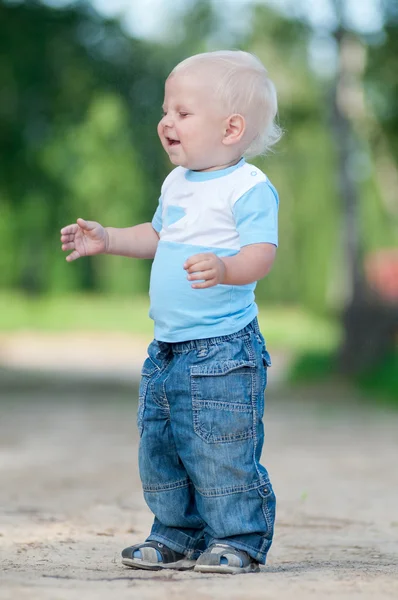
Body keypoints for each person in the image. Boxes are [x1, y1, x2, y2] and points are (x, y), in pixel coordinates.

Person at [60, 50, 281, 574]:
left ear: (231, 128)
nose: (166, 122)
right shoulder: (176, 183)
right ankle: (176, 533)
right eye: (166, 110)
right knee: (162, 447)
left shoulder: (248, 188)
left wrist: (226, 269)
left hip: (223, 350)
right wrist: (109, 238)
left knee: (220, 449)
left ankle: (238, 538)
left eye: (182, 113)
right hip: (167, 349)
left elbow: (262, 254)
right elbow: (158, 236)